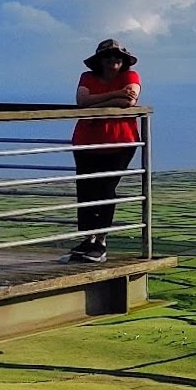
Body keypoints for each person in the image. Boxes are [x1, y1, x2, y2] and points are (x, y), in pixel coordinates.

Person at [67, 39, 141, 263]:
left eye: (118, 57)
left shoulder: (131, 76)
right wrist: (115, 95)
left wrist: (95, 102)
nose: (113, 61)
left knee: (106, 190)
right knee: (86, 190)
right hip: (86, 143)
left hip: (119, 143)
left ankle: (100, 240)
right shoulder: (87, 77)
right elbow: (81, 101)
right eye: (108, 57)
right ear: (99, 60)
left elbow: (129, 101)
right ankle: (87, 239)